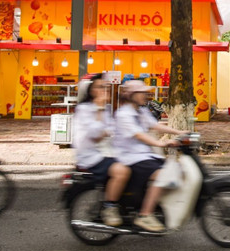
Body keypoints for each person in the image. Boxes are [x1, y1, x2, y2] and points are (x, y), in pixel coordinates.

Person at [113, 80, 186, 233]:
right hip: (131, 157)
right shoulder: (124, 114)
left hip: (144, 155)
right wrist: (160, 144)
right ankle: (145, 215)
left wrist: (179, 133)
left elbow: (155, 125)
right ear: (132, 95)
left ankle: (152, 204)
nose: (145, 95)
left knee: (171, 169)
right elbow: (138, 135)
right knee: (162, 174)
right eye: (142, 93)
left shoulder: (141, 111)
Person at [72, 74, 131, 227]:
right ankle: (109, 207)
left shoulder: (106, 108)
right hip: (92, 155)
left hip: (107, 151)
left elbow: (111, 129)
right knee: (121, 171)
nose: (105, 90)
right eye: (100, 87)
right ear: (91, 90)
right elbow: (96, 134)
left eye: (106, 86)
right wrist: (99, 108)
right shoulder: (85, 109)